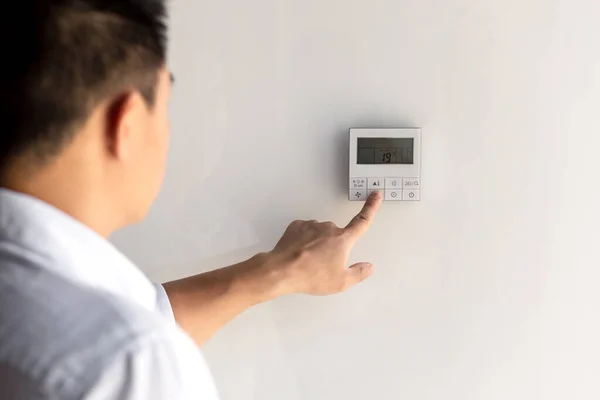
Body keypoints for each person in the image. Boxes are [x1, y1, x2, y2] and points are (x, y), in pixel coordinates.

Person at [0, 1, 382, 399]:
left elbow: (108, 322)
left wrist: (279, 271)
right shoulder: (132, 362)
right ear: (125, 123)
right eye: (166, 106)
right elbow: (117, 347)